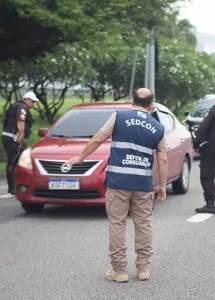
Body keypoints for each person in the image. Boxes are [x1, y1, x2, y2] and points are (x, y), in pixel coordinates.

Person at [67, 88, 168, 283]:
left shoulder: (119, 117)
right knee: (144, 225)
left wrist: (81, 157)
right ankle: (143, 270)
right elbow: (162, 158)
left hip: (118, 183)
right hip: (143, 185)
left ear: (132, 101)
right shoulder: (157, 127)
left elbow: (98, 138)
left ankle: (119, 271)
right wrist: (162, 185)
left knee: (117, 224)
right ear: (151, 105)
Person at [2, 91, 38, 194]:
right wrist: (21, 136)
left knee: (14, 160)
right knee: (15, 162)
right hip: (13, 138)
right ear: (26, 100)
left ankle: (14, 186)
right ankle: (13, 187)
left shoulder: (17, 106)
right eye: (32, 101)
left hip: (10, 137)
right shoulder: (22, 108)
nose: (33, 104)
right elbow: (20, 121)